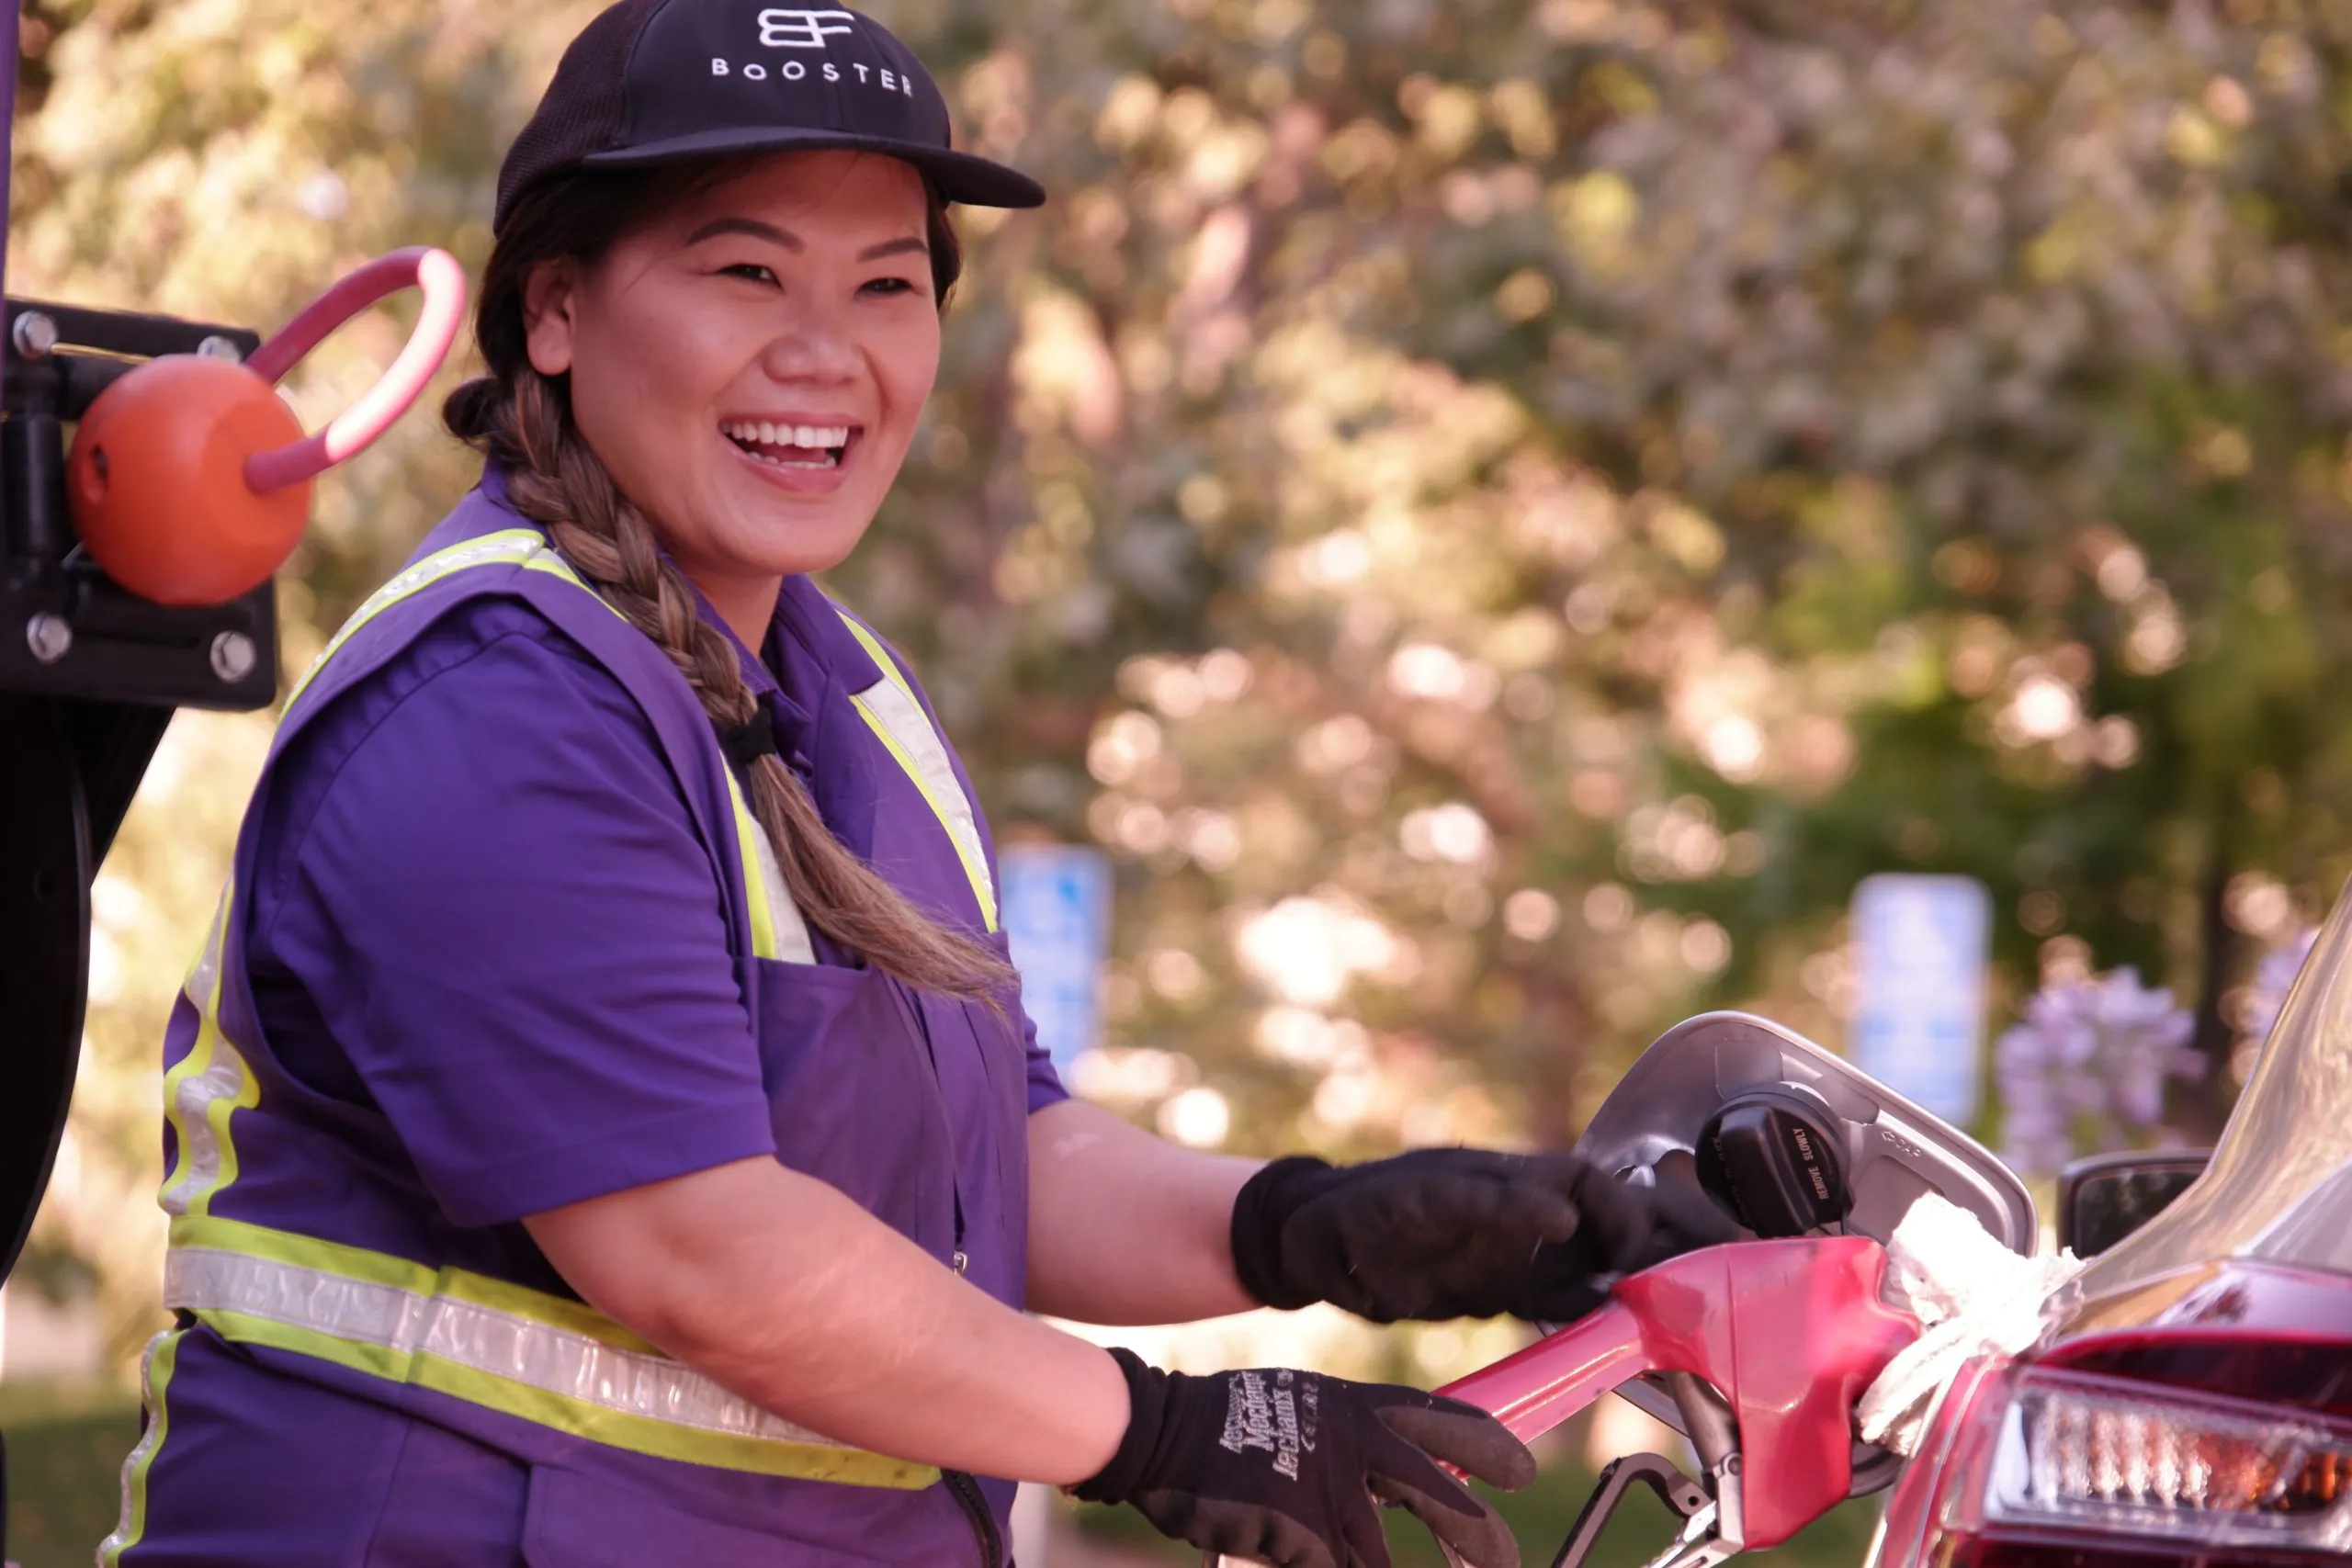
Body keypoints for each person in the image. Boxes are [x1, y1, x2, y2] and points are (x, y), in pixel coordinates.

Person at [101, 4, 1741, 1564]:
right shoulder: (495, 707)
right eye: (747, 270)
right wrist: (1162, 1430)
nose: (825, 355)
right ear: (556, 309)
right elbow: (697, 1248)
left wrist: (1308, 1231)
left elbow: (992, 1163)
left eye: (890, 287)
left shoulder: (842, 693)